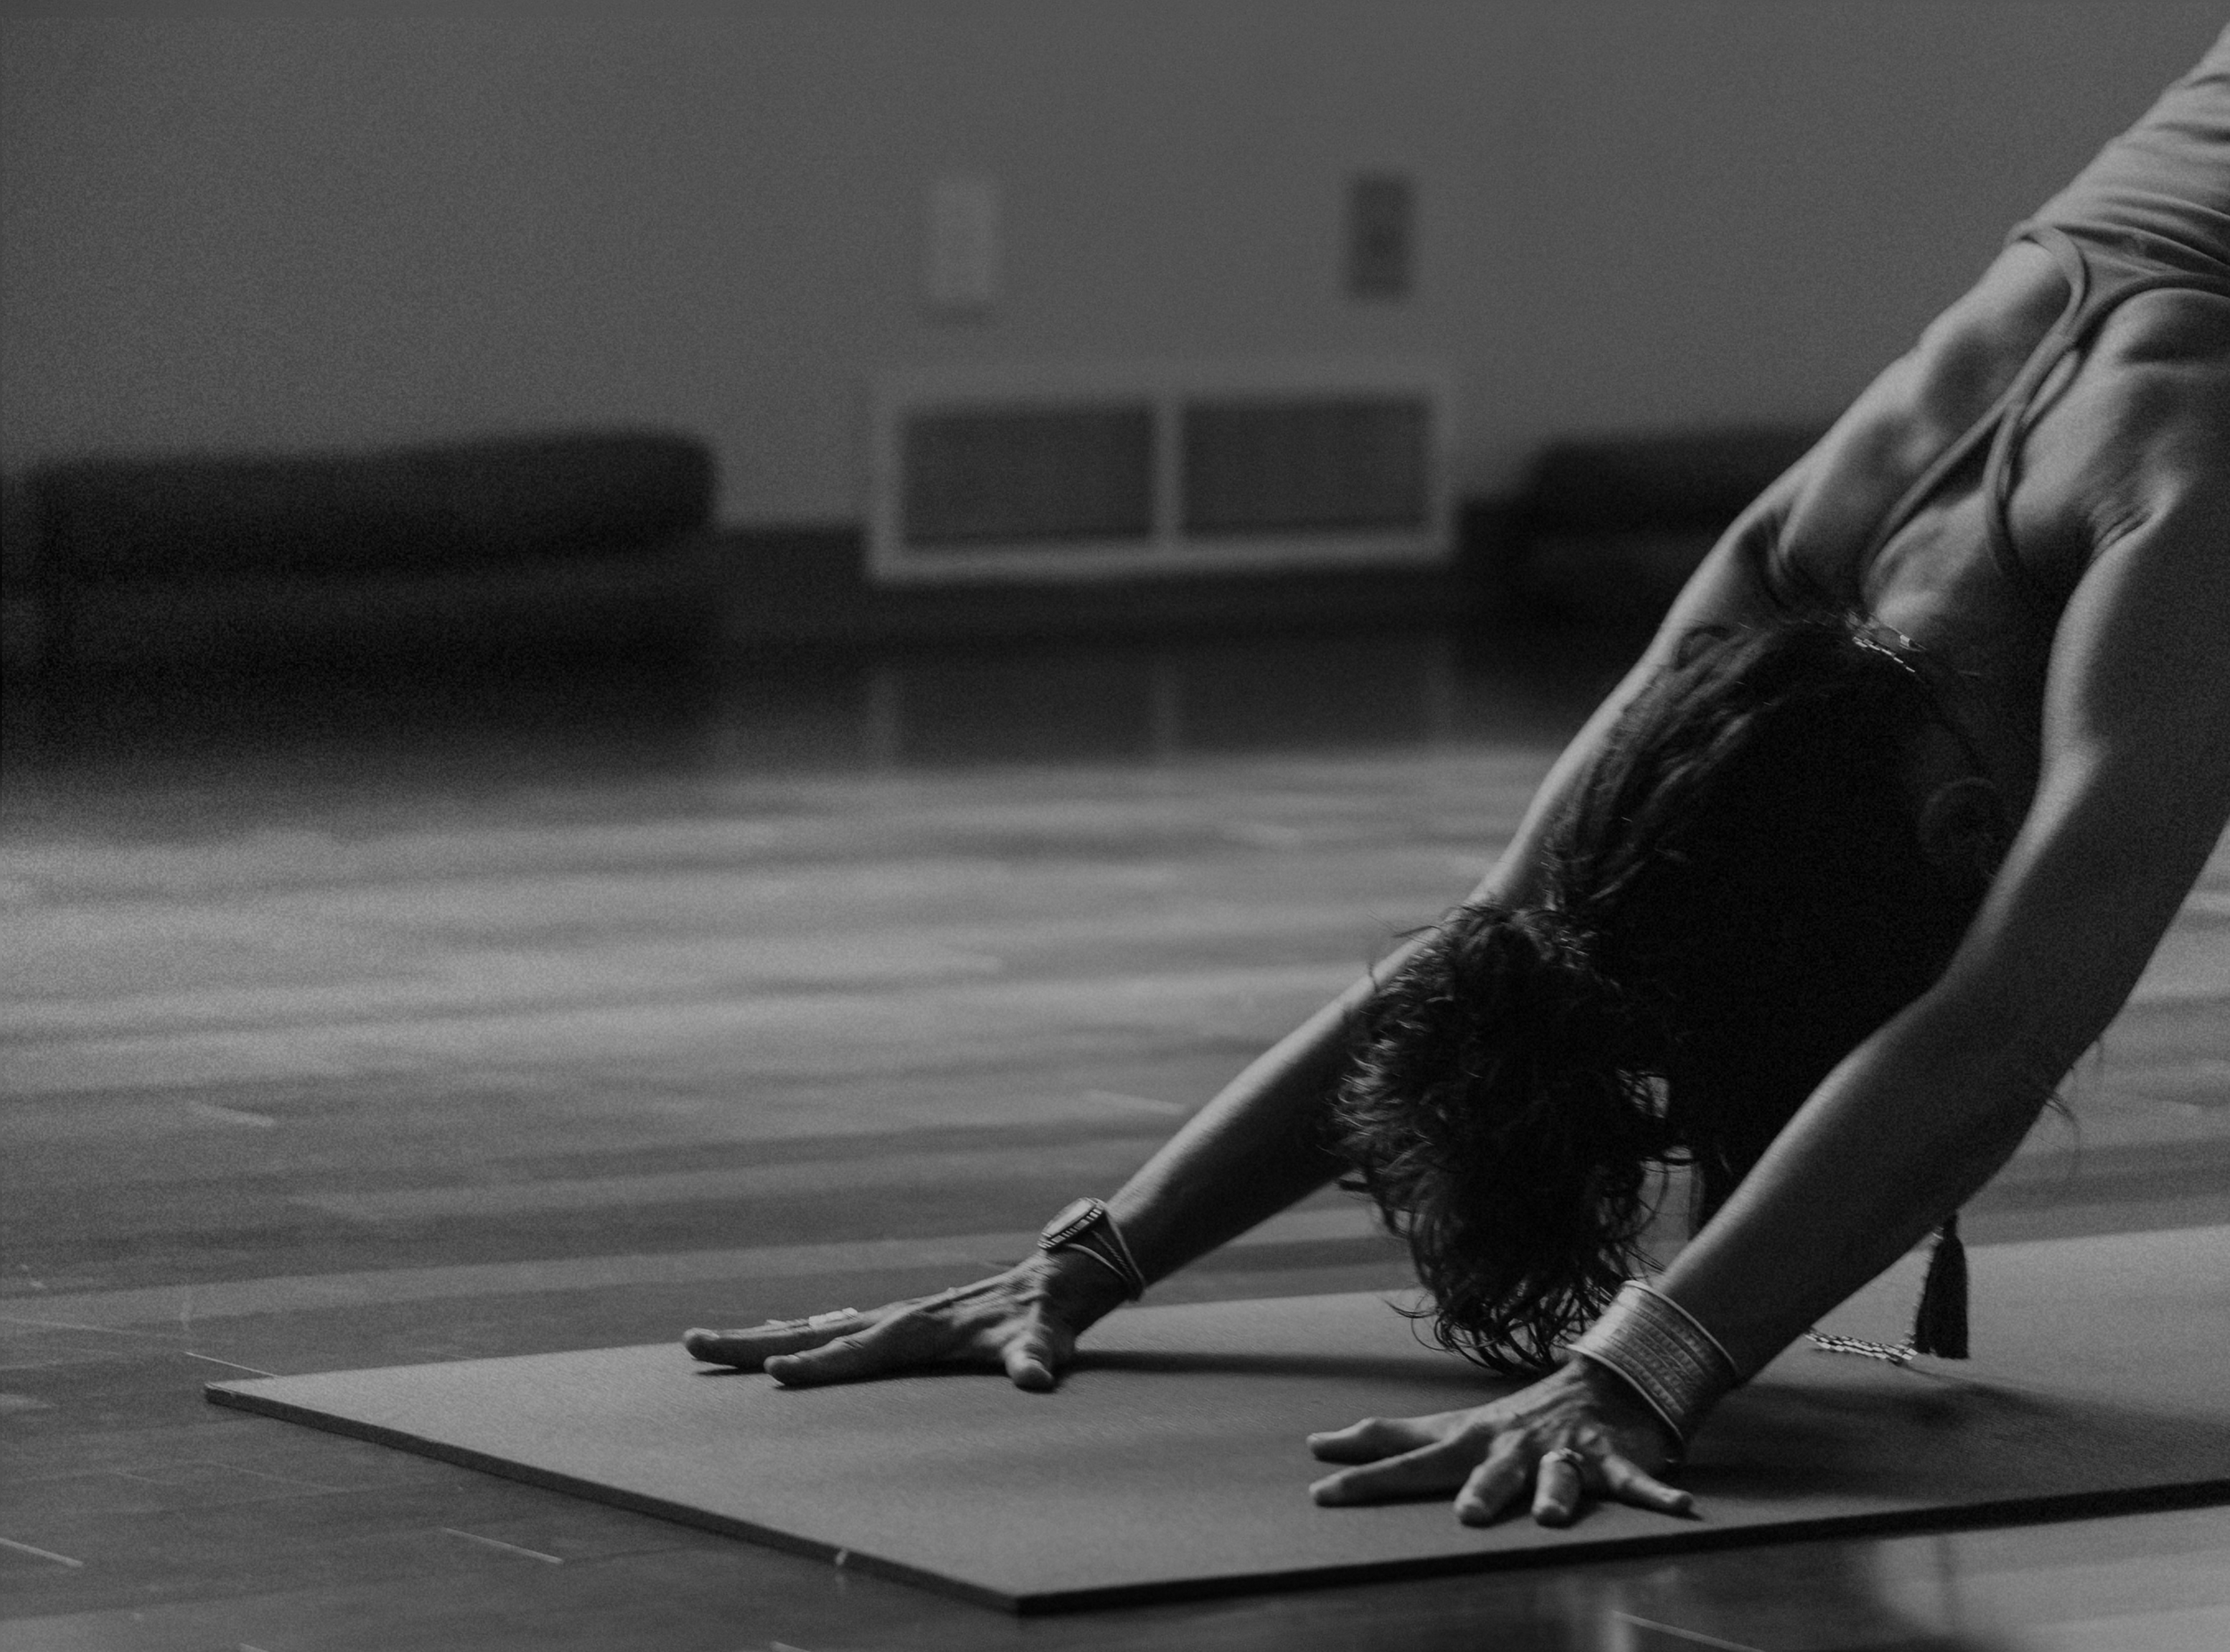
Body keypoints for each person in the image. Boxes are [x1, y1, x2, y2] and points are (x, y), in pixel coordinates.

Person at [685, 29, 2230, 1529]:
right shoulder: (1820, 554)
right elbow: (1505, 935)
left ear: (1968, 836)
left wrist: (1641, 1374)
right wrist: (1094, 1255)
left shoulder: (2149, 503)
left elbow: (1999, 1028)